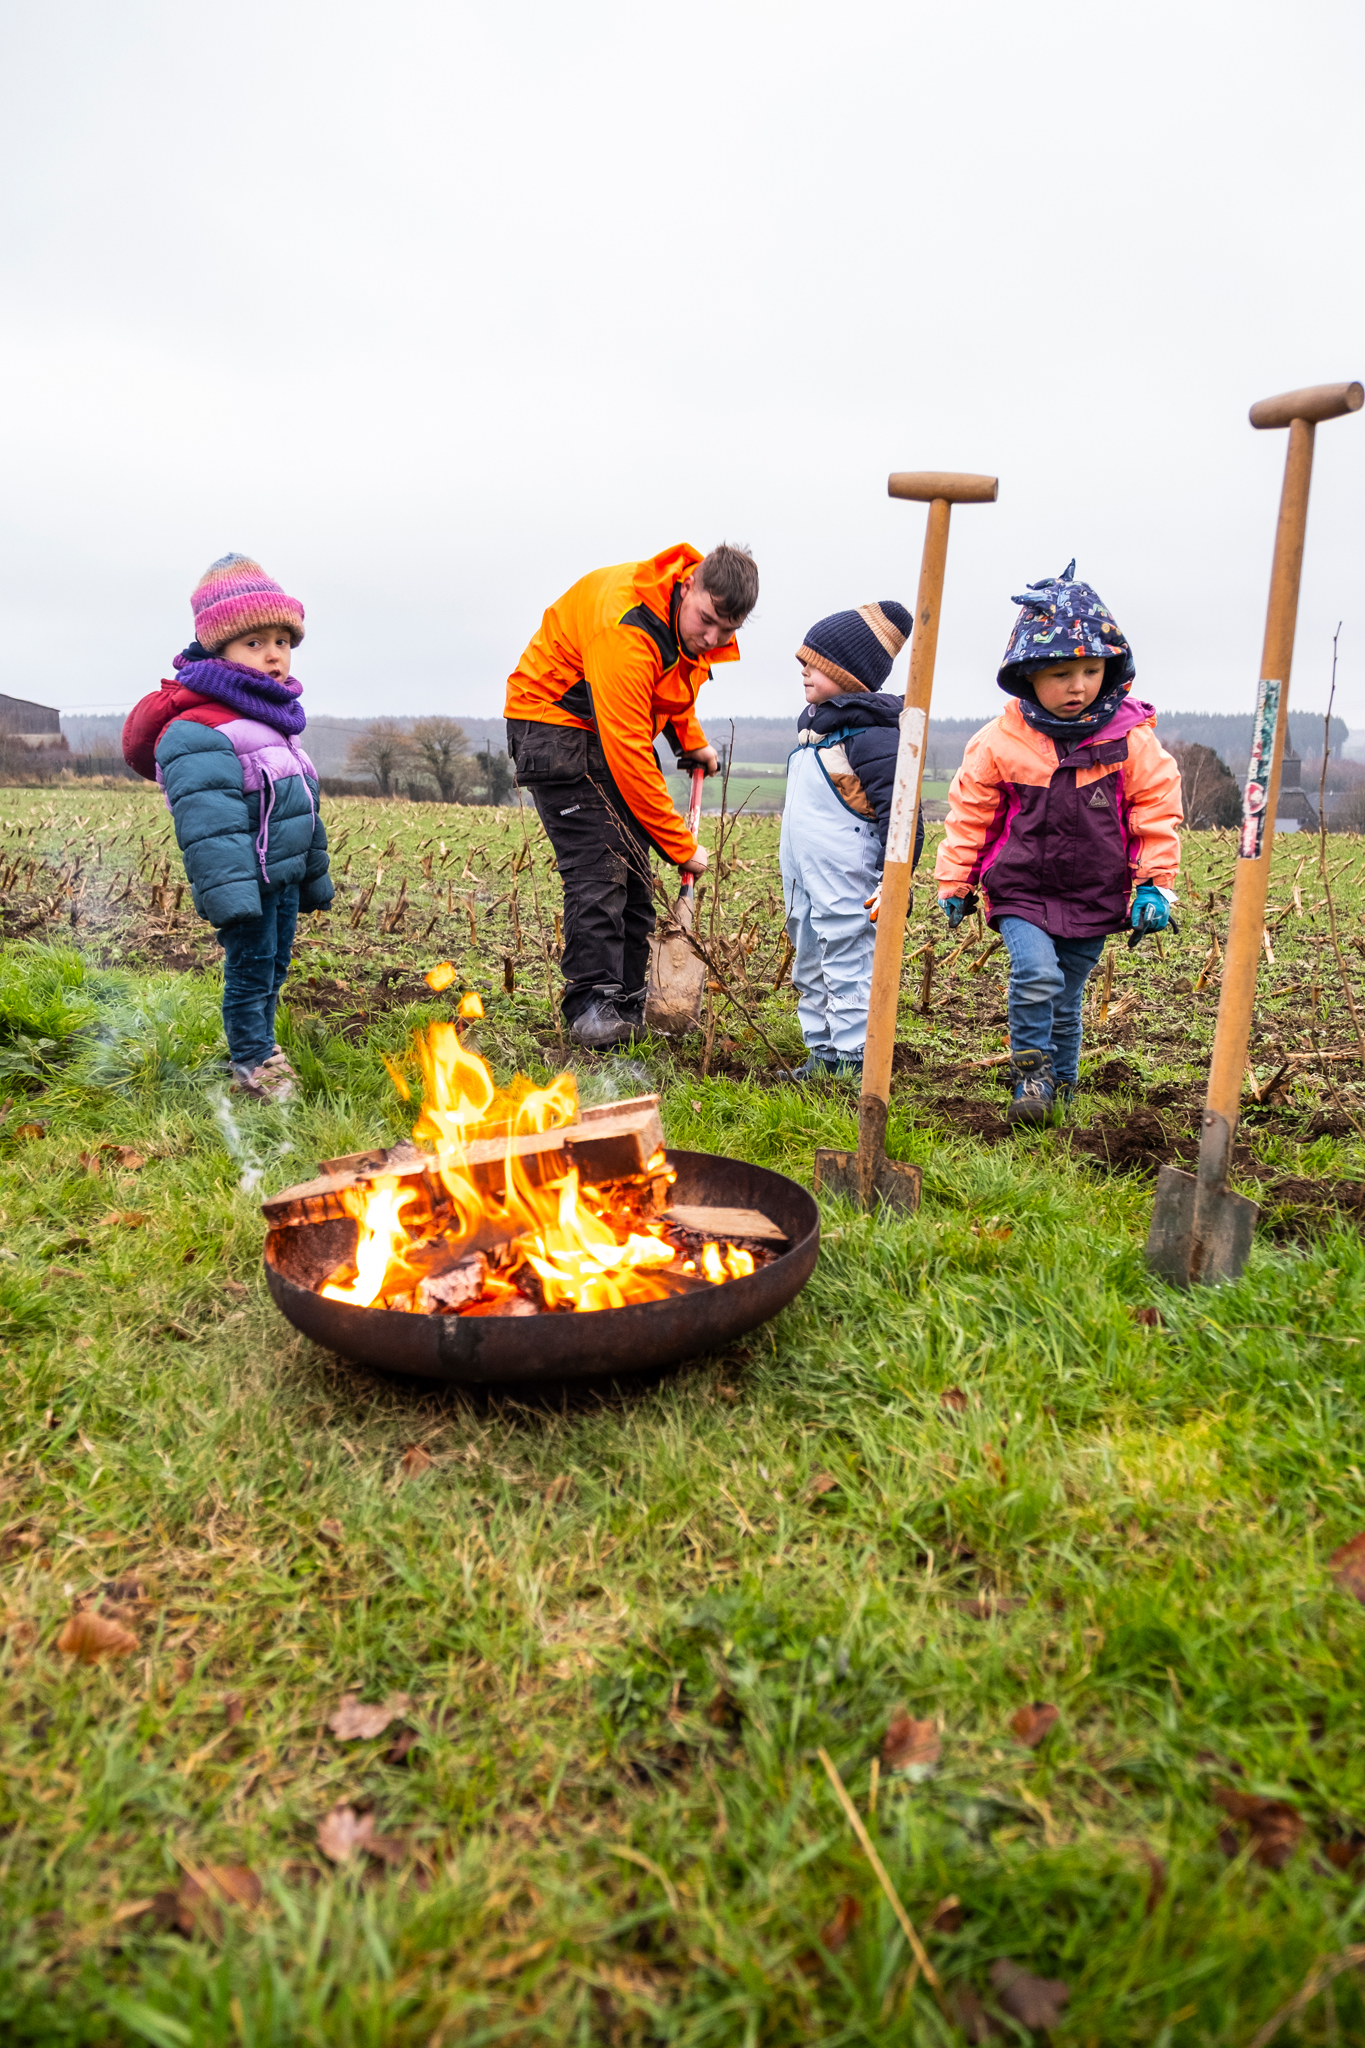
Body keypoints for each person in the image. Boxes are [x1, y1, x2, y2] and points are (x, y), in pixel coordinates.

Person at [935, 561, 1181, 1125]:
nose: (1078, 686)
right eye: (1061, 673)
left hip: (1094, 895)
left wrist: (1154, 886)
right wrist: (955, 880)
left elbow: (1156, 812)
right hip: (1021, 891)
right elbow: (971, 815)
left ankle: (1059, 1094)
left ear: (1111, 669)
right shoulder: (1001, 742)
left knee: (1067, 1002)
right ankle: (1030, 1075)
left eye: (1091, 670)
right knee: (1037, 976)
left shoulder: (1131, 741)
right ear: (1027, 675)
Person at [505, 542, 758, 1048]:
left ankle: (628, 1001)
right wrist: (681, 847)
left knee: (636, 875)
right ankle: (591, 1005)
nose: (712, 639)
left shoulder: (680, 625)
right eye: (707, 621)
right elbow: (628, 753)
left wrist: (690, 740)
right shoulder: (627, 627)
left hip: (600, 727)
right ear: (689, 585)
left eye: (727, 631)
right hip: (553, 723)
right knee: (600, 865)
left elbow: (668, 684)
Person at [122, 554, 332, 1101]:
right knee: (251, 967)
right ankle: (251, 1063)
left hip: (280, 875)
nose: (273, 654)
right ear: (218, 649)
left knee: (275, 965)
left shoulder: (272, 718)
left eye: (282, 641)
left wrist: (312, 872)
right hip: (248, 883)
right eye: (254, 642)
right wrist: (232, 895)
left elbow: (299, 803)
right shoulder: (200, 727)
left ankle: (263, 1045)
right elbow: (207, 824)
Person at [779, 602, 923, 1080]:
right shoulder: (814, 734)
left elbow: (903, 814)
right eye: (803, 661)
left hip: (849, 880)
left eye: (815, 663)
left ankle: (855, 1057)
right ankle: (822, 1052)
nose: (804, 670)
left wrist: (894, 878)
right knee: (810, 962)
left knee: (849, 960)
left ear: (849, 674)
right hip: (804, 880)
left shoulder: (873, 739)